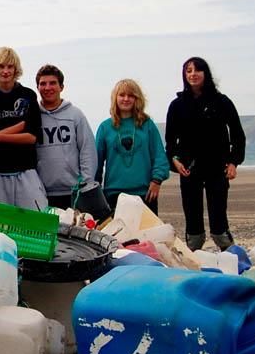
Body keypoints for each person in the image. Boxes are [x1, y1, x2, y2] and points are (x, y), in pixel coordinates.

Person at [166, 57, 246, 251]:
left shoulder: (221, 101)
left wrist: (234, 162)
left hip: (217, 169)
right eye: (188, 71)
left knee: (218, 222)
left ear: (205, 74)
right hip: (189, 171)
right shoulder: (177, 105)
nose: (193, 74)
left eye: (197, 70)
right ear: (184, 76)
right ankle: (194, 258)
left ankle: (230, 256)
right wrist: (174, 161)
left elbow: (237, 134)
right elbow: (170, 141)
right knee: (193, 224)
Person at [0, 47, 47, 211]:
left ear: (16, 69)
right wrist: (19, 126)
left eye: (10, 67)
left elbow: (32, 136)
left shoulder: (28, 95)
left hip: (25, 170)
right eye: (1, 67)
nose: (6, 71)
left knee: (36, 219)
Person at [95, 79, 169, 215]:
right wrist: (95, 190)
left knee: (146, 236)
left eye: (131, 95)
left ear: (137, 99)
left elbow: (159, 156)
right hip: (114, 195)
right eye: (122, 95)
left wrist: (157, 180)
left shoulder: (147, 125)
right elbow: (96, 162)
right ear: (115, 98)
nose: (126, 99)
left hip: (145, 194)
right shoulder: (105, 127)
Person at [35, 64, 97, 209]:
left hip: (74, 192)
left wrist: (86, 185)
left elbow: (87, 151)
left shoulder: (75, 115)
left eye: (53, 83)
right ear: (37, 88)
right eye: (43, 84)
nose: (47, 87)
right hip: (42, 193)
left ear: (61, 87)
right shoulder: (33, 116)